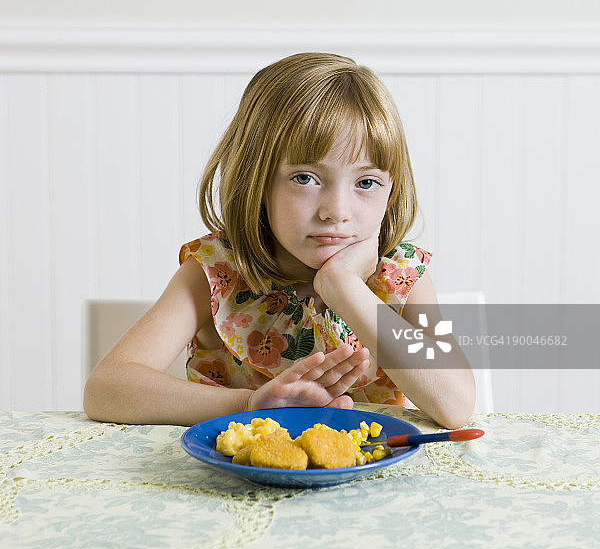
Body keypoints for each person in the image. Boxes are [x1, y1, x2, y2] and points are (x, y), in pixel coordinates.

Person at [84, 53, 475, 429]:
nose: (336, 211)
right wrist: (248, 404)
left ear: (392, 191)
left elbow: (455, 405)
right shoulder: (216, 273)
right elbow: (107, 388)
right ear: (256, 180)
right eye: (305, 178)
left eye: (366, 183)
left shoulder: (402, 279)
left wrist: (342, 286)